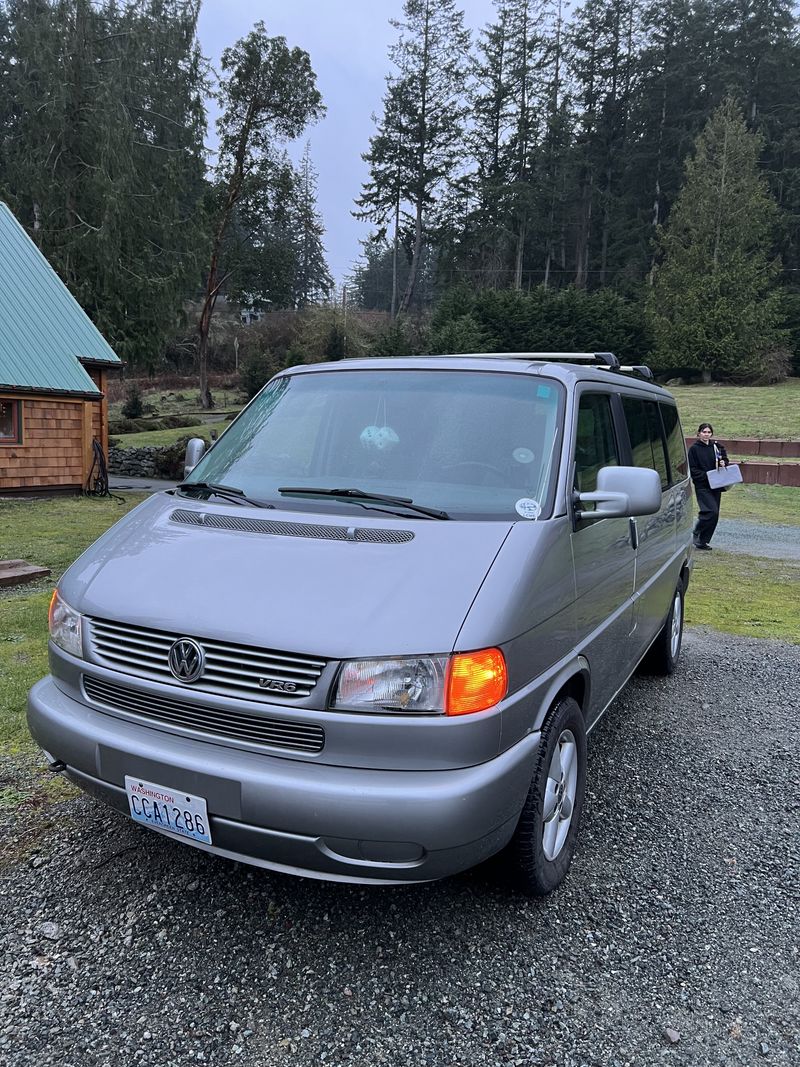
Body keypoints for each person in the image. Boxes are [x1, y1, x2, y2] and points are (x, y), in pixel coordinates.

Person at [687, 422, 729, 550]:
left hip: (716, 484)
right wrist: (707, 475)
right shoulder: (694, 449)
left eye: (708, 432)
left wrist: (724, 462)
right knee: (710, 511)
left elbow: (725, 460)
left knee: (715, 514)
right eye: (704, 432)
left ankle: (703, 541)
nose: (706, 434)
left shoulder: (716, 446)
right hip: (703, 485)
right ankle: (696, 532)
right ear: (699, 433)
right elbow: (693, 469)